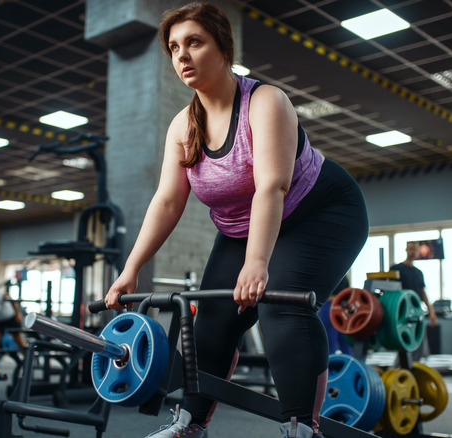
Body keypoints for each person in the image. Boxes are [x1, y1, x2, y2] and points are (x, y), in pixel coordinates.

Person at [104, 3, 368, 438]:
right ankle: (191, 423)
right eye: (173, 47)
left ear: (223, 47)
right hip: (241, 228)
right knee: (208, 323)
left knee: (279, 307)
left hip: (322, 214)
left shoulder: (265, 102)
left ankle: (302, 427)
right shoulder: (182, 128)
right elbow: (168, 201)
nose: (182, 55)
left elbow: (271, 188)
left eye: (194, 42)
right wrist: (130, 270)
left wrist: (258, 261)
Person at [390, 241, 439, 328]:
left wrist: (431, 311)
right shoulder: (396, 269)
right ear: (406, 250)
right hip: (401, 310)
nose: (413, 252)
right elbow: (390, 291)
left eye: (415, 249)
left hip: (416, 309)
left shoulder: (418, 272)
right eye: (411, 249)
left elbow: (423, 292)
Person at [319, 276, 353, 356]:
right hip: (342, 307)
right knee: (345, 346)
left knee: (329, 346)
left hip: (330, 306)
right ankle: (350, 366)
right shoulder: (342, 276)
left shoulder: (327, 276)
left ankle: (329, 366)